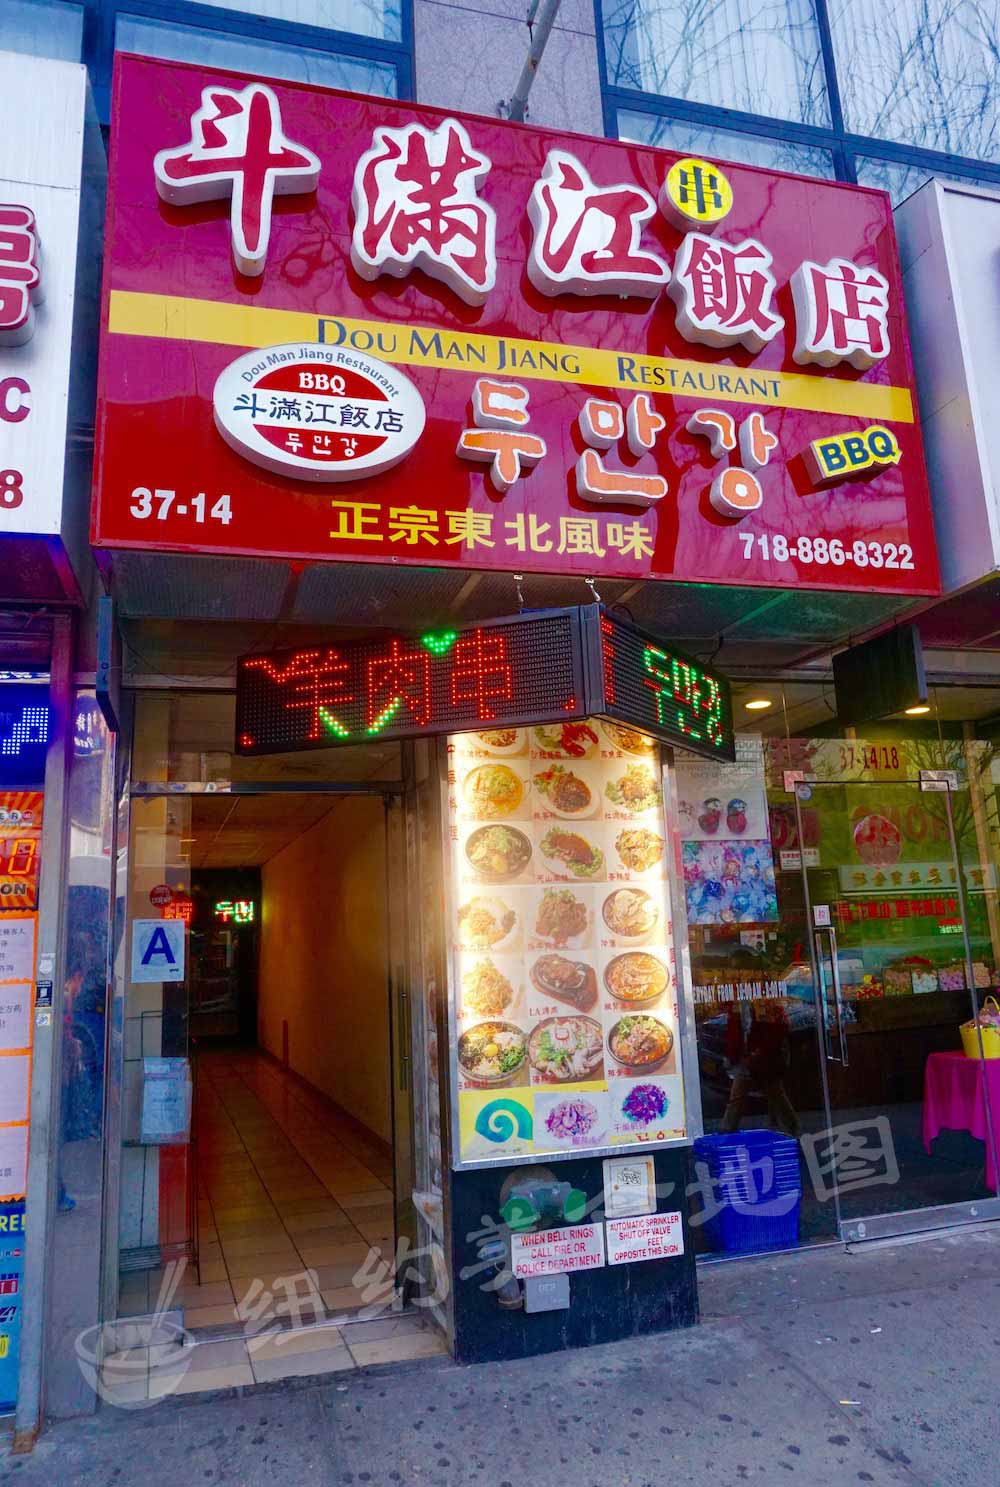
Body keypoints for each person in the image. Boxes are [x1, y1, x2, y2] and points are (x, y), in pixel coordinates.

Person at [721, 997, 800, 1139]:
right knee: (767, 1092)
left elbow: (780, 1027)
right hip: (749, 1058)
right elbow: (735, 1032)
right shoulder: (738, 1005)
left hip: (763, 1057)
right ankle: (727, 1131)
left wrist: (760, 1051)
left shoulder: (765, 1002)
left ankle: (727, 1131)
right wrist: (733, 1055)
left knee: (773, 1092)